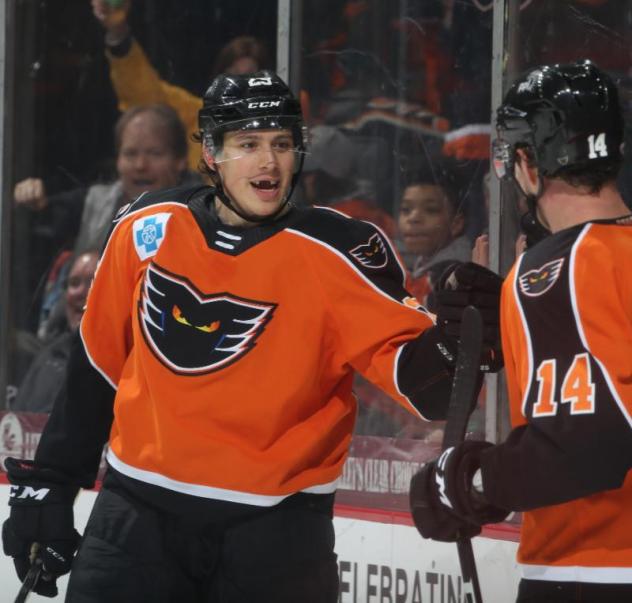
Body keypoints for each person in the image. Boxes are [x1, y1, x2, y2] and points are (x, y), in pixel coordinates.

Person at [2, 70, 502, 602]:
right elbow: (96, 367)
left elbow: (426, 392)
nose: (268, 163)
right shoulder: (149, 225)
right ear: (212, 154)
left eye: (281, 144)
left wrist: (459, 337)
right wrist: (51, 483)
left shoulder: (340, 250)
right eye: (248, 144)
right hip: (136, 521)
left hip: (276, 539)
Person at [410, 60, 632, 603]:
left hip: (595, 566)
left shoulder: (557, 268)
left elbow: (593, 441)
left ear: (528, 162)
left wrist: (475, 481)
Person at [14, 103, 194, 337]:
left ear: (180, 160)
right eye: (130, 154)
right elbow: (41, 221)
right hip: (91, 347)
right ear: (117, 161)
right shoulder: (92, 203)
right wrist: (28, 197)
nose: (140, 165)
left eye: (154, 154)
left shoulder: (202, 212)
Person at [91, 0, 271, 171]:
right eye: (231, 76)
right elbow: (144, 95)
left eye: (250, 78)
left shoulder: (278, 138)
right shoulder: (194, 117)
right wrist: (117, 32)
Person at [11, 251, 99, 413]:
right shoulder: (49, 357)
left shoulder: (122, 361)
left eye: (92, 282)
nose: (82, 292)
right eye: (74, 283)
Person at [396, 167, 470, 309]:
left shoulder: (451, 276)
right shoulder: (425, 264)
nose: (413, 218)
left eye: (431, 210)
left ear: (456, 224)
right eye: (406, 209)